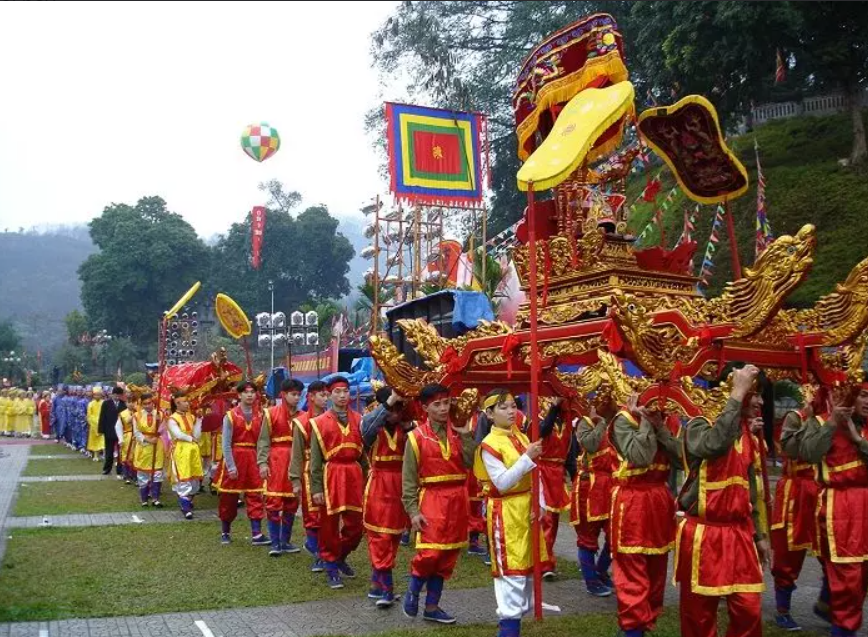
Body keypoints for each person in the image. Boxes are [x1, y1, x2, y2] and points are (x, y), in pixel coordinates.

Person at [675, 365, 770, 637]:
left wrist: (759, 534)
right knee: (699, 616)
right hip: (705, 533)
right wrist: (738, 393)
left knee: (749, 610)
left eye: (760, 394)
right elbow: (713, 446)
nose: (761, 402)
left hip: (740, 534)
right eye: (755, 393)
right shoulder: (698, 424)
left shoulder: (746, 434)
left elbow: (750, 491)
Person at [402, 383, 477, 624]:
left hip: (457, 499)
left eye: (446, 403)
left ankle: (432, 607)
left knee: (447, 557)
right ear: (425, 408)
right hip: (431, 499)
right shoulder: (416, 437)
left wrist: (465, 434)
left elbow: (469, 463)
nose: (443, 408)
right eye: (437, 404)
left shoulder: (459, 432)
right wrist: (413, 512)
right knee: (430, 553)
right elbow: (409, 480)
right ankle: (413, 590)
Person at [609, 393, 683, 637]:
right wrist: (644, 421)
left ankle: (644, 623)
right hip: (632, 502)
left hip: (659, 500)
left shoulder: (669, 419)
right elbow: (640, 457)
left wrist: (660, 427)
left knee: (656, 570)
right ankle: (632, 628)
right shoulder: (622, 420)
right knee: (632, 571)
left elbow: (682, 459)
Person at [474, 389, 546, 637]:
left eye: (513, 406)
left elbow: (536, 474)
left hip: (526, 510)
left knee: (525, 575)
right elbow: (502, 482)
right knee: (511, 576)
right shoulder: (488, 445)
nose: (511, 411)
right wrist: (527, 458)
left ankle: (510, 626)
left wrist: (541, 503)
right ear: (490, 414)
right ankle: (508, 628)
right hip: (505, 512)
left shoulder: (523, 438)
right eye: (503, 407)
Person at [800, 379, 868, 637]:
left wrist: (855, 438)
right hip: (842, 508)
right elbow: (808, 453)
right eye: (862, 395)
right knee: (848, 579)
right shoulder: (821, 422)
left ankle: (831, 608)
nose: (867, 402)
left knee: (860, 580)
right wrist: (832, 425)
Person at [771, 384, 830, 630]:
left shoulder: (836, 419)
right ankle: (782, 609)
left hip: (823, 492)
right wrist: (809, 419)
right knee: (788, 553)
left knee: (831, 552)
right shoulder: (796, 417)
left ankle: (827, 603)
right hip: (796, 492)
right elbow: (789, 449)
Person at [309, 376, 365, 589]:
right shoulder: (319, 423)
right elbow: (315, 460)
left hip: (354, 474)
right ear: (329, 395)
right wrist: (316, 488)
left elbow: (365, 457)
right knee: (329, 525)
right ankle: (331, 565)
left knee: (356, 527)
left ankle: (339, 556)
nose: (342, 396)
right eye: (337, 392)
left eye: (346, 391)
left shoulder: (360, 419)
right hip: (331, 474)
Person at [361, 386, 414, 607]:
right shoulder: (371, 427)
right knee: (379, 536)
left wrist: (409, 423)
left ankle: (377, 582)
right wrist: (389, 403)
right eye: (392, 408)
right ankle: (387, 589)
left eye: (399, 408)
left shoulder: (407, 429)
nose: (395, 413)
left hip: (400, 487)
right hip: (379, 486)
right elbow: (366, 431)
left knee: (392, 537)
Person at [213, 380, 269, 545]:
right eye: (246, 392)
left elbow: (263, 441)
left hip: (253, 458)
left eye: (253, 392)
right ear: (239, 395)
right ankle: (225, 531)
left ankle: (257, 534)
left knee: (255, 495)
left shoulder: (261, 415)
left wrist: (263, 461)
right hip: (235, 457)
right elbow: (226, 443)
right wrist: (230, 465)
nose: (250, 395)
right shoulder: (230, 415)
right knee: (228, 498)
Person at [573, 397, 617, 596]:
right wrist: (600, 422)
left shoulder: (619, 421)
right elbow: (590, 444)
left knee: (614, 534)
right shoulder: (585, 423)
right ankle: (591, 581)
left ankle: (600, 570)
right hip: (588, 489)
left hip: (610, 486)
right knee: (587, 537)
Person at [259, 378, 304, 556]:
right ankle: (275, 543)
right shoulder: (270, 413)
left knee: (292, 502)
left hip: (296, 460)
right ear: (283, 395)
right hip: (276, 461)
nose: (297, 398)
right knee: (274, 502)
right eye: (293, 394)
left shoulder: (303, 416)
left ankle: (286, 541)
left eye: (299, 395)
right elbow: (263, 440)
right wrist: (262, 462)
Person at [289, 380, 329, 572]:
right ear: (311, 397)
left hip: (329, 471)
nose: (325, 398)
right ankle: (317, 554)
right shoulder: (301, 422)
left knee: (328, 516)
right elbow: (296, 454)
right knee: (312, 514)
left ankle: (326, 551)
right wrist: (295, 480)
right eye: (322, 395)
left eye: (326, 394)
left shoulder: (332, 419)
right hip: (307, 472)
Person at [536, 397, 575, 580]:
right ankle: (544, 563)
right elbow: (542, 431)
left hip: (557, 475)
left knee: (554, 520)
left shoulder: (567, 423)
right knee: (546, 519)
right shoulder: (538, 420)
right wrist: (553, 408)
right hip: (543, 472)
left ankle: (547, 559)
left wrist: (574, 478)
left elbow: (570, 453)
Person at [167, 389, 203, 519]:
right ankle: (185, 507)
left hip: (193, 450)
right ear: (177, 403)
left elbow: (197, 434)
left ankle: (187, 501)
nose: (187, 404)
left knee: (194, 478)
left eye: (187, 401)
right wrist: (190, 438)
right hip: (181, 450)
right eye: (184, 402)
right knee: (184, 476)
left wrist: (199, 420)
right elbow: (177, 434)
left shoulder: (191, 416)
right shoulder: (172, 419)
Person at [132, 393, 164, 507]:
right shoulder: (137, 416)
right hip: (144, 446)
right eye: (144, 404)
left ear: (153, 403)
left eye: (149, 403)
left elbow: (164, 430)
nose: (147, 406)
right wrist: (148, 440)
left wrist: (160, 424)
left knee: (157, 472)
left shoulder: (160, 414)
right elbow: (136, 432)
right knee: (143, 473)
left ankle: (156, 498)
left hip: (157, 446)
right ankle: (144, 499)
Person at [98, 387, 126, 475]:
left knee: (120, 452)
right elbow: (102, 417)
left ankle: (120, 469)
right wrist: (101, 429)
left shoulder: (123, 404)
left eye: (119, 395)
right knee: (109, 452)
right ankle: (107, 468)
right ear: (112, 394)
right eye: (116, 395)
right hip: (109, 431)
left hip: (120, 432)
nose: (117, 397)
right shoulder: (106, 403)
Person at [117, 393, 139, 483]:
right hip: (127, 436)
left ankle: (135, 476)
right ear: (126, 403)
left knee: (136, 455)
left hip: (136, 437)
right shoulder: (122, 414)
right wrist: (120, 439)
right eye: (129, 402)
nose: (131, 404)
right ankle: (126, 475)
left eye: (133, 402)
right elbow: (120, 426)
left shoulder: (139, 412)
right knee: (126, 455)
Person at [86, 387, 105, 462]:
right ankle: (95, 455)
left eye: (99, 395)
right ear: (93, 395)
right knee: (94, 441)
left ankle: (104, 455)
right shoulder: (90, 404)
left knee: (103, 440)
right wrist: (95, 423)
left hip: (103, 424)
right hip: (93, 426)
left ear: (101, 395)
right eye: (96, 395)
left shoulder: (104, 403)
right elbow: (89, 416)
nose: (97, 396)